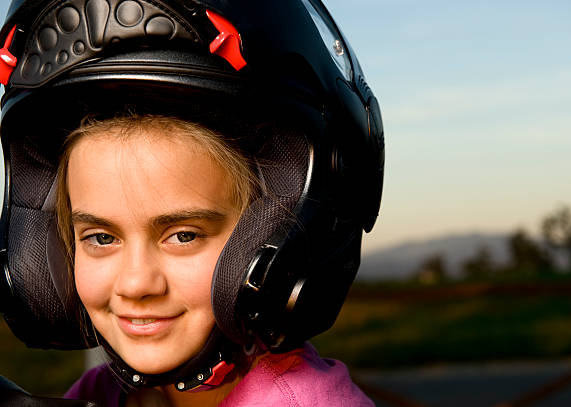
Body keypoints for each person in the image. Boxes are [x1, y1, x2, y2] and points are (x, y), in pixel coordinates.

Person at [0, 0, 384, 406]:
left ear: (274, 234)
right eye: (100, 238)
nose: (136, 284)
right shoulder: (106, 392)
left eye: (183, 235)